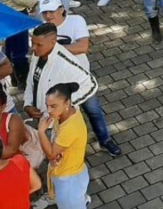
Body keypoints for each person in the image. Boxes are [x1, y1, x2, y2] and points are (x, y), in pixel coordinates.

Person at [24, 22, 121, 157]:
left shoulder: (65, 63)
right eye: (32, 43)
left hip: (59, 122)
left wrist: (62, 105)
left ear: (53, 42)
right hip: (43, 117)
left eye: (38, 45)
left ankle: (104, 141)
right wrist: (27, 104)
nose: (33, 48)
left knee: (60, 157)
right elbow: (31, 79)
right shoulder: (37, 54)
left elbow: (91, 84)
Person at [38, 83, 90, 209]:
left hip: (69, 181)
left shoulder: (70, 128)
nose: (49, 110)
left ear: (67, 103)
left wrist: (41, 131)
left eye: (54, 106)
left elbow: (51, 153)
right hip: (74, 173)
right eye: (47, 105)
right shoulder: (69, 112)